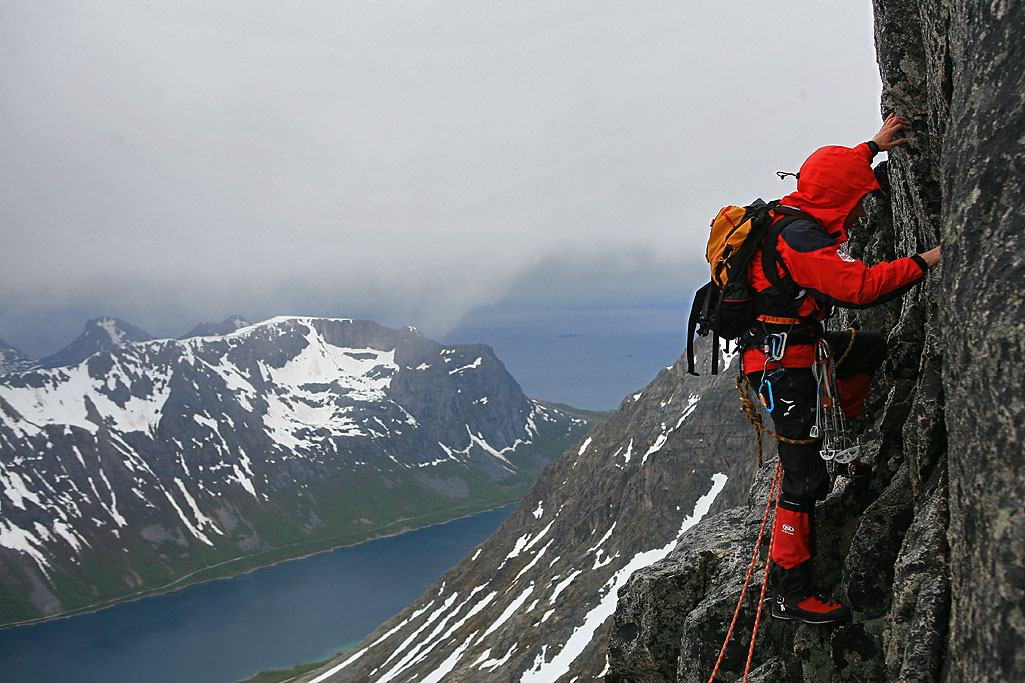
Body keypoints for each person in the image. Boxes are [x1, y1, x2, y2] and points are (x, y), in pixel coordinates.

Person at [742, 114, 941, 624]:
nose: (854, 217)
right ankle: (789, 593)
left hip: (795, 348)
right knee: (803, 483)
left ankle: (842, 444)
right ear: (837, 202)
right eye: (853, 206)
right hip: (783, 368)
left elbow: (834, 174)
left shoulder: (795, 207)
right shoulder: (802, 239)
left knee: (868, 349)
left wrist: (870, 147)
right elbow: (858, 288)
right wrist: (929, 259)